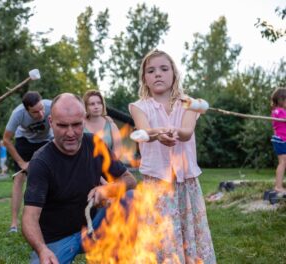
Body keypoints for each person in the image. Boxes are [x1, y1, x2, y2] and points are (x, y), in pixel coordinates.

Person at [22, 93, 137, 263]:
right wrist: (42, 249)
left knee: (131, 197)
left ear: (84, 120)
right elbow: (29, 218)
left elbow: (130, 180)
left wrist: (108, 189)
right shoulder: (41, 161)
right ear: (51, 122)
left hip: (94, 229)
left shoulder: (95, 144)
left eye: (76, 125)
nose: (70, 133)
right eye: (62, 126)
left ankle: (118, 256)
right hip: (57, 239)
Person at [128, 49, 216, 263]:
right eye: (151, 70)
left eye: (164, 69)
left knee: (188, 233)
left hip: (185, 183)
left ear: (174, 74)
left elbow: (186, 133)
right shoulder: (138, 107)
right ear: (145, 79)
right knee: (161, 234)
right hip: (157, 183)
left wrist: (170, 133)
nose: (157, 74)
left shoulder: (189, 103)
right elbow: (144, 132)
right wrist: (158, 134)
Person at [3, 91, 53, 233]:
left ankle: (47, 219)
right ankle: (14, 224)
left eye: (42, 108)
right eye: (35, 112)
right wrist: (22, 163)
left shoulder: (52, 106)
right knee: (19, 178)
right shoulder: (18, 113)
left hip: (46, 141)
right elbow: (6, 140)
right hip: (24, 141)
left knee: (50, 178)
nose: (41, 114)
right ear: (27, 110)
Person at [83, 89, 122, 159]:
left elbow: (118, 151)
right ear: (86, 107)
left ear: (103, 105)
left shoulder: (111, 125)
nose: (96, 106)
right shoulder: (80, 125)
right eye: (92, 104)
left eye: (99, 103)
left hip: (107, 167)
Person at [270, 87, 286, 193]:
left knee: (283, 162)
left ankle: (279, 186)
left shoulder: (276, 111)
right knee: (283, 162)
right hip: (281, 140)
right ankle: (278, 187)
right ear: (281, 100)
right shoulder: (280, 112)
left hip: (280, 139)